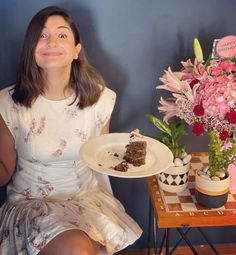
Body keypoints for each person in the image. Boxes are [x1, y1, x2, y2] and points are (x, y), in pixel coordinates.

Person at [0, 6, 142, 255]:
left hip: (86, 201)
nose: (51, 41)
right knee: (76, 250)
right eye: (42, 35)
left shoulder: (99, 98)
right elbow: (3, 172)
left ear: (76, 50)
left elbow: (102, 159)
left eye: (62, 35)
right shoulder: (9, 103)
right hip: (33, 207)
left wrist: (130, 151)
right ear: (31, 49)